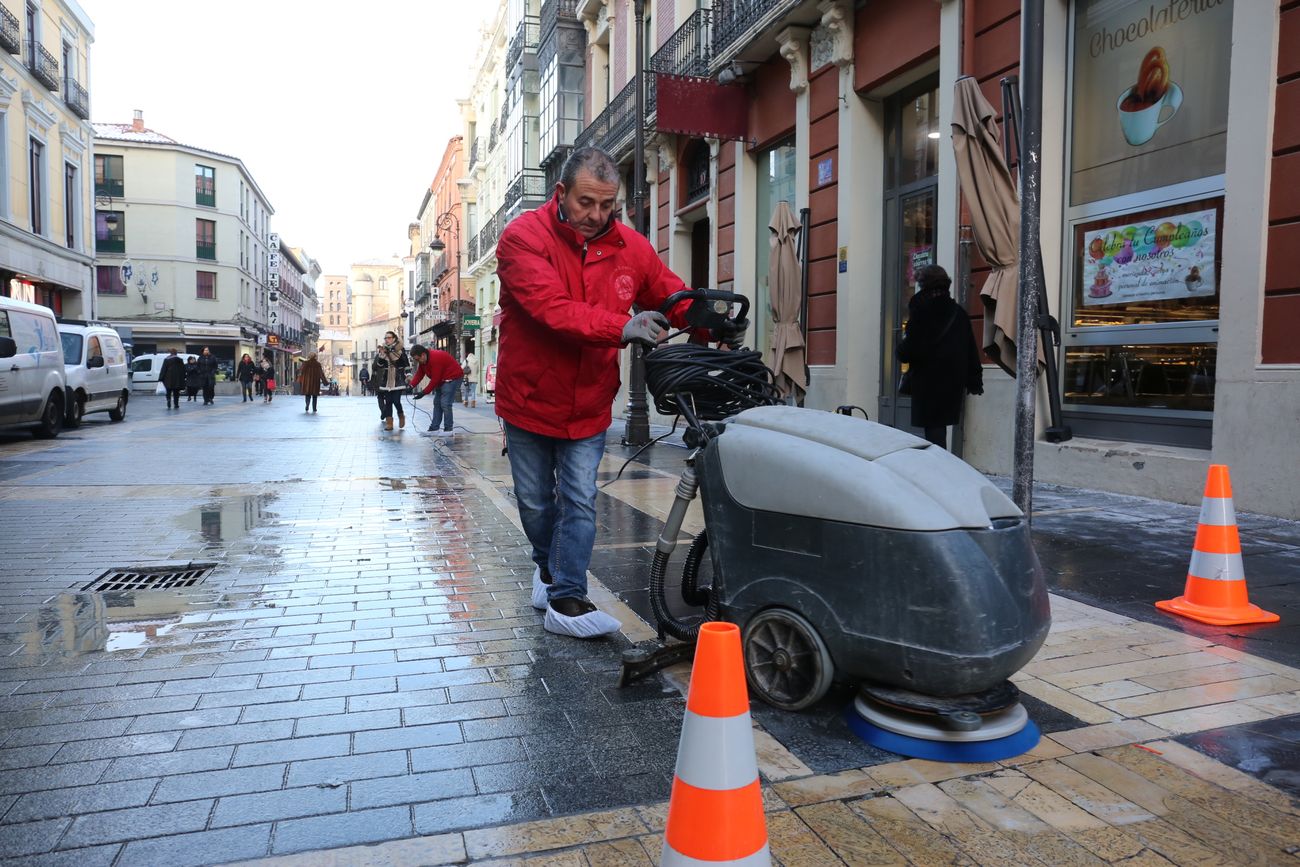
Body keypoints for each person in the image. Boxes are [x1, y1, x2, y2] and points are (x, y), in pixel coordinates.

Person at [495, 146, 747, 638]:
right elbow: (551, 308)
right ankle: (548, 570)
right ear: (561, 193)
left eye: (607, 205)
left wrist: (710, 321)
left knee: (579, 499)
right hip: (528, 399)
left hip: (588, 401)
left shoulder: (632, 247)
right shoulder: (522, 238)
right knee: (536, 503)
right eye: (587, 202)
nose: (596, 215)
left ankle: (567, 595)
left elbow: (670, 295)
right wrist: (623, 326)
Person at [896, 264, 984, 450]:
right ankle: (940, 466)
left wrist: (901, 350)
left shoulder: (922, 311)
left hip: (929, 381)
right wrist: (974, 380)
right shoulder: (958, 313)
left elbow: (910, 348)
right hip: (953, 381)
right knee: (939, 427)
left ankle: (938, 469)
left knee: (934, 429)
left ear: (923, 285)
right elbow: (971, 349)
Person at [408, 344, 464, 435]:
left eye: (418, 359)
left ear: (423, 355)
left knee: (445, 403)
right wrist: (411, 386)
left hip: (453, 377)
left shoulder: (435, 358)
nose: (418, 361)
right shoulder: (423, 362)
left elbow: (435, 379)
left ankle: (448, 429)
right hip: (442, 379)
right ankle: (434, 428)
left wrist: (423, 392)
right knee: (437, 403)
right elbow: (419, 374)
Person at [372, 331, 409, 431]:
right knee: (388, 401)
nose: (386, 340)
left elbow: (406, 363)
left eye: (388, 337)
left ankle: (401, 416)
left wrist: (408, 375)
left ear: (394, 338)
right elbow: (379, 366)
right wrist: (382, 355)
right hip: (387, 379)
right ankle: (389, 423)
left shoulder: (400, 350)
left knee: (396, 401)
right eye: (385, 338)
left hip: (398, 378)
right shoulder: (383, 350)